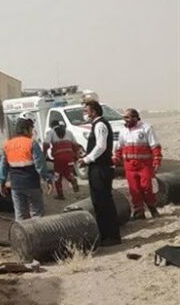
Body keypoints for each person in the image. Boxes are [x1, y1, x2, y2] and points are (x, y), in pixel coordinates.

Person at [78, 100, 121, 246]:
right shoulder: (95, 125)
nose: (84, 113)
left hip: (101, 168)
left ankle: (112, 236)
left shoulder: (100, 125)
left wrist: (87, 159)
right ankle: (105, 235)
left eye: (86, 111)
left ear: (94, 111)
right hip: (97, 167)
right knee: (98, 201)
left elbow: (101, 146)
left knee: (104, 202)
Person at [0, 116, 54, 221]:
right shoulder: (31, 143)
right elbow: (40, 166)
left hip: (16, 187)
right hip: (32, 185)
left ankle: (23, 236)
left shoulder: (8, 145)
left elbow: (3, 167)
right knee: (37, 215)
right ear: (25, 130)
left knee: (20, 215)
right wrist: (48, 179)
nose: (32, 133)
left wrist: (1, 183)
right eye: (31, 130)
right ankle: (37, 236)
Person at [113, 108, 162, 219]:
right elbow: (119, 148)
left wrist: (157, 160)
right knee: (134, 190)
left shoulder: (146, 128)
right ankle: (139, 212)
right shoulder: (123, 131)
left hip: (144, 165)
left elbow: (155, 146)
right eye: (124, 117)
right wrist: (115, 159)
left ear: (136, 118)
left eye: (128, 117)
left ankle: (152, 209)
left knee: (147, 188)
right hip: (129, 167)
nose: (125, 120)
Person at [43, 120, 80, 200]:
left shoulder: (51, 132)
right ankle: (72, 179)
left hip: (58, 158)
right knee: (68, 172)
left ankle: (60, 195)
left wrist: (44, 153)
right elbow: (75, 145)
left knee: (57, 176)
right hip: (69, 157)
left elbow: (46, 144)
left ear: (51, 126)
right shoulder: (68, 132)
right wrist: (76, 156)